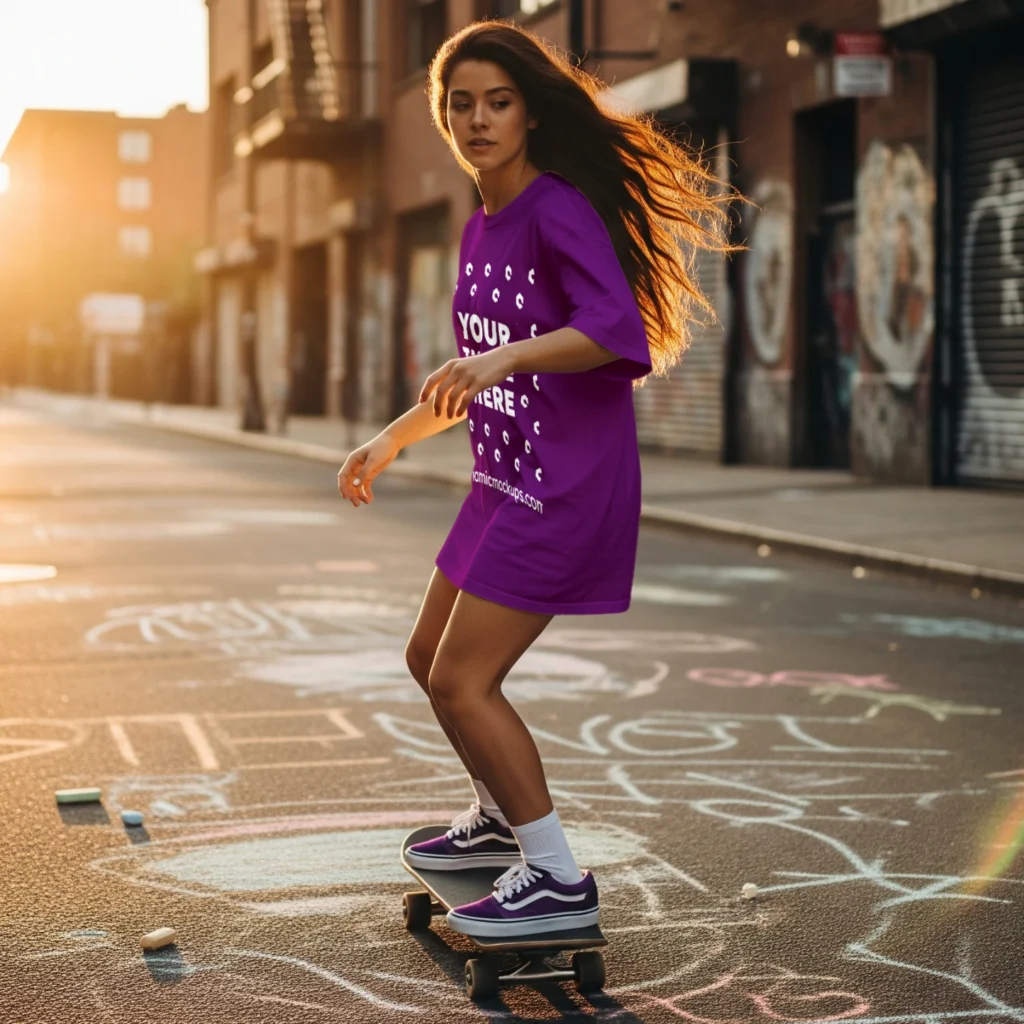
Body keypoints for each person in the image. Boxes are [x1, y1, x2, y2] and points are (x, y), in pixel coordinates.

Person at [337, 20, 733, 939]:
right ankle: (494, 821)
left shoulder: (558, 209)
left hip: (564, 487)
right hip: (503, 479)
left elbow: (615, 335)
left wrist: (509, 357)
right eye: (460, 104)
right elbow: (478, 369)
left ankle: (555, 875)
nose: (478, 119)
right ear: (444, 120)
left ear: (528, 113)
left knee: (466, 680)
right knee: (425, 662)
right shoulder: (481, 224)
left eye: (498, 102)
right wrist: (392, 438)